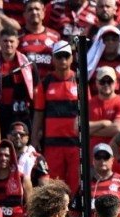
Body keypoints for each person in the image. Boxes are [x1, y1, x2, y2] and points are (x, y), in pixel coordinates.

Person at [31, 40, 80, 193]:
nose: (63, 60)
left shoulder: (79, 81)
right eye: (59, 57)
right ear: (53, 59)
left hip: (74, 145)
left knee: (75, 186)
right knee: (54, 188)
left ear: (72, 58)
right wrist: (34, 142)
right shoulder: (45, 83)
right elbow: (38, 113)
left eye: (66, 56)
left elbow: (86, 113)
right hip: (52, 145)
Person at [0, 27, 37, 138]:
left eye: (11, 41)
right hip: (0, 116)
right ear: (0, 42)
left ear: (17, 43)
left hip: (23, 115)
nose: (8, 44)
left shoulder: (28, 65)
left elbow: (36, 93)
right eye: (5, 41)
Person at [88, 66, 120, 152]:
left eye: (109, 81)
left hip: (116, 158)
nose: (106, 85)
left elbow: (117, 129)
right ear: (96, 83)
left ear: (116, 83)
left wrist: (89, 131)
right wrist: (103, 123)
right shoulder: (89, 103)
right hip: (93, 158)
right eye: (102, 81)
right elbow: (76, 128)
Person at [9, 122, 49, 187]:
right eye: (14, 134)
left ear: (27, 138)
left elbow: (44, 187)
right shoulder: (3, 156)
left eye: (22, 134)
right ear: (9, 137)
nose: (18, 136)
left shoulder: (37, 158)